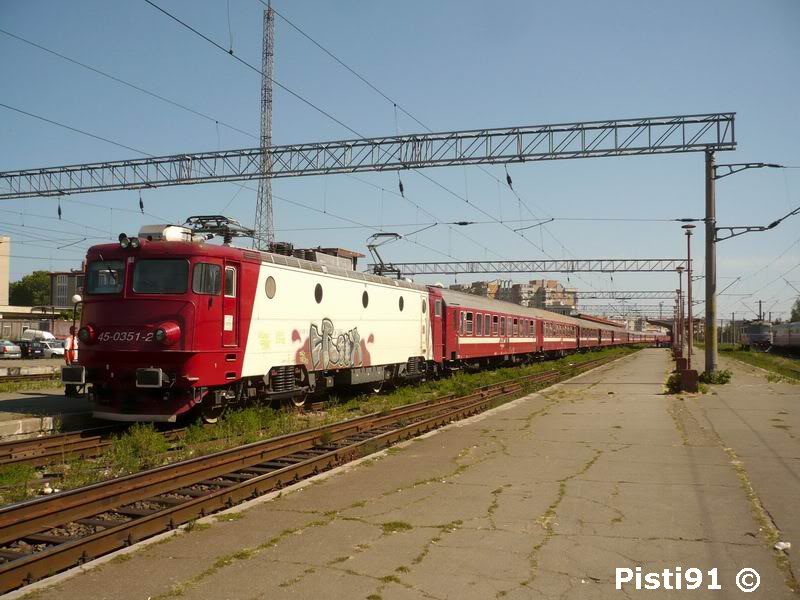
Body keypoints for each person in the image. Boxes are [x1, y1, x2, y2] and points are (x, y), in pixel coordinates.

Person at [64, 326, 80, 396]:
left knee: (71, 376)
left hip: (75, 360)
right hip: (71, 360)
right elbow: (66, 350)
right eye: (75, 331)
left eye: (77, 331)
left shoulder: (75, 339)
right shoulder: (69, 339)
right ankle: (73, 392)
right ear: (71, 331)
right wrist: (68, 360)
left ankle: (68, 391)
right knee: (73, 376)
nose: (76, 332)